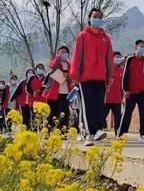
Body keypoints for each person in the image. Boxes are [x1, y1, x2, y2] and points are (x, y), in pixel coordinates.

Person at [70, 8, 113, 146]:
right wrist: (75, 75)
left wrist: (109, 76)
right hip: (85, 77)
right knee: (88, 105)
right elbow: (77, 56)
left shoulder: (106, 38)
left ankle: (98, 130)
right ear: (89, 18)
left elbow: (109, 59)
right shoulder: (82, 36)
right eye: (95, 16)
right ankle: (89, 134)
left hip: (100, 77)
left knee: (99, 105)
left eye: (100, 17)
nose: (98, 19)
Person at [118, 40, 144, 143]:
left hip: (141, 91)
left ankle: (143, 134)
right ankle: (120, 134)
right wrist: (125, 90)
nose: (143, 48)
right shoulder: (130, 59)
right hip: (130, 92)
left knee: (143, 113)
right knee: (127, 113)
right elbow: (125, 76)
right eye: (141, 46)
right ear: (136, 47)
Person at [43, 46, 73, 131]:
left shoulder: (70, 65)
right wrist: (58, 59)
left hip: (65, 92)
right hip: (53, 93)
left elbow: (71, 78)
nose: (63, 54)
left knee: (64, 112)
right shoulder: (55, 63)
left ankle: (63, 131)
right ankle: (47, 131)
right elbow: (53, 68)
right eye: (61, 52)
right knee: (52, 112)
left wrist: (64, 77)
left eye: (65, 52)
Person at [104, 51, 123, 135]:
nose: (118, 59)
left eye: (119, 57)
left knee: (118, 118)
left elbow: (123, 85)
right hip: (106, 98)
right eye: (116, 57)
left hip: (117, 99)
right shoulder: (107, 69)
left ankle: (118, 133)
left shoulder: (122, 70)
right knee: (102, 116)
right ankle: (96, 130)